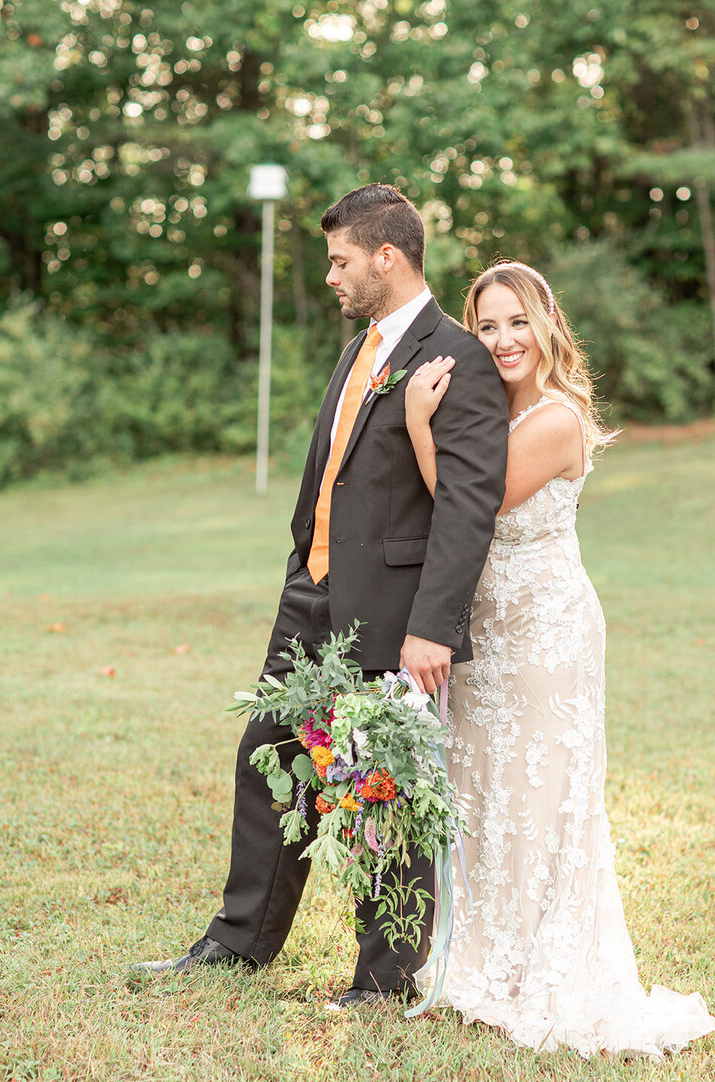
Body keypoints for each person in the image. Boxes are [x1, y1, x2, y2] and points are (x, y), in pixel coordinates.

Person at [134, 185, 509, 1008]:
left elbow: (470, 505)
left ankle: (383, 978)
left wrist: (433, 628)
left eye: (341, 262)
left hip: (394, 614)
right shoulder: (359, 348)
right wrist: (304, 566)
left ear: (388, 256)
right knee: (272, 760)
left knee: (382, 784)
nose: (332, 278)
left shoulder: (459, 357)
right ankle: (238, 944)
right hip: (312, 597)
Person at [404, 261, 715, 1056]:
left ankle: (542, 974)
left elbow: (471, 507)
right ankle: (480, 962)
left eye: (517, 322)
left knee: (540, 800)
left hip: (545, 636)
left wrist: (417, 426)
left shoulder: (554, 419)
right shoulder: (488, 408)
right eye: (487, 325)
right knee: (481, 791)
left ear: (546, 326)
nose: (503, 340)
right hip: (485, 635)